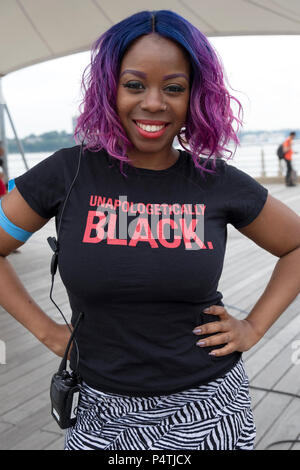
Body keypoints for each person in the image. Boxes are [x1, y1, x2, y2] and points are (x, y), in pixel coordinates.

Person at [1, 10, 300, 451]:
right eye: (135, 84)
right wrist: (48, 333)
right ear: (110, 89)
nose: (154, 103)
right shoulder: (69, 171)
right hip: (100, 412)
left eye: (174, 88)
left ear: (195, 97)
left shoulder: (215, 180)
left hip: (210, 409)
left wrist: (253, 327)